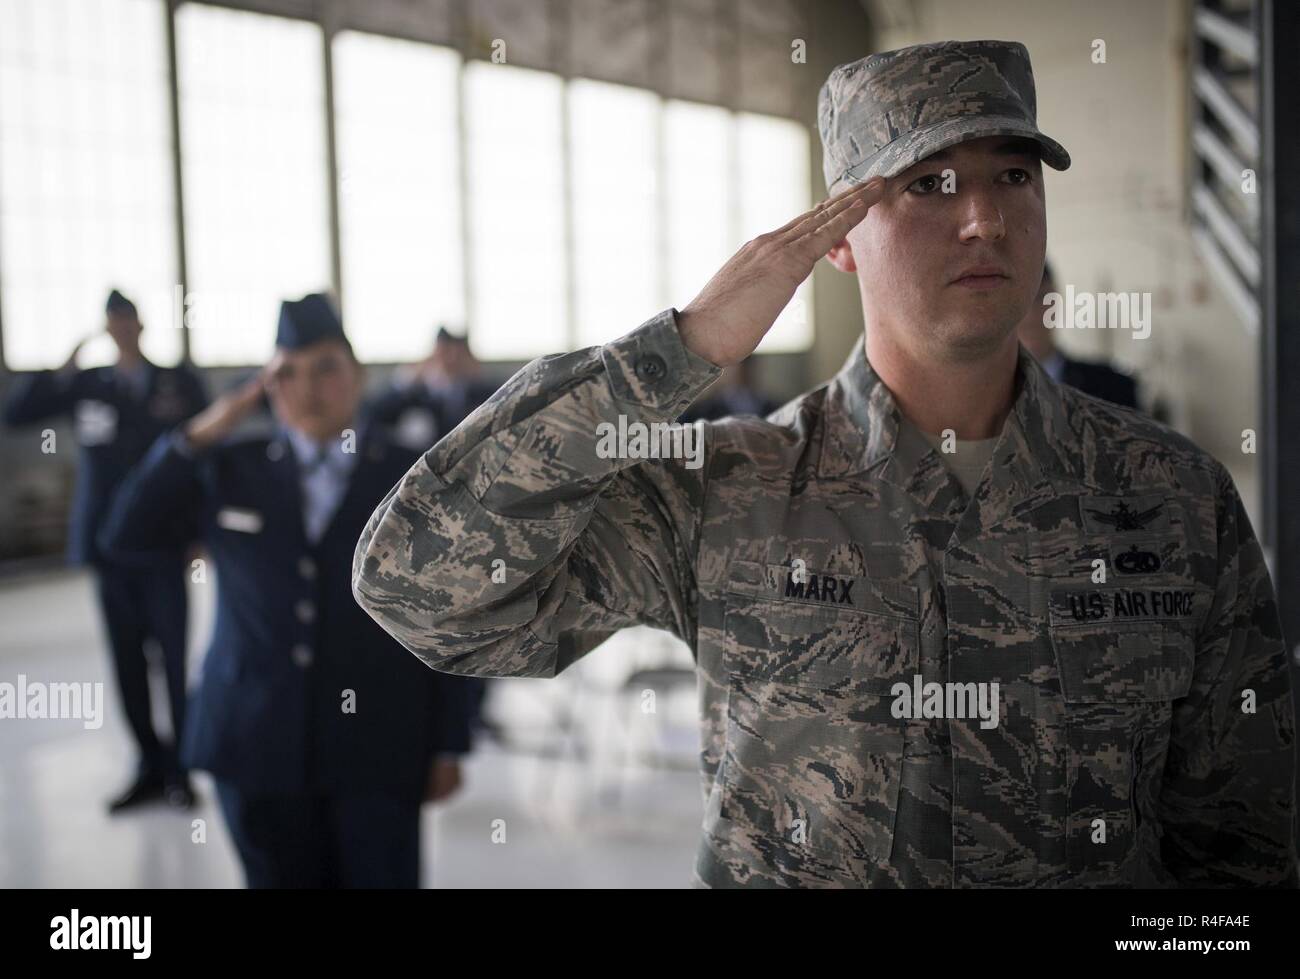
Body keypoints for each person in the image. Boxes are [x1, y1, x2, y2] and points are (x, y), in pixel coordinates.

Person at [352, 41, 1296, 888]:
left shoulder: (1168, 494)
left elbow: (1240, 838)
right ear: (836, 238)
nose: (983, 218)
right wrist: (679, 349)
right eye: (928, 183)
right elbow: (424, 593)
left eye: (1013, 175)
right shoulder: (730, 485)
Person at [101, 294, 476, 887]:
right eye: (287, 372)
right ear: (266, 384)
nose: (308, 388)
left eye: (325, 367)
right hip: (253, 744)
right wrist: (205, 429)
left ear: (357, 375)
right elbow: (125, 532)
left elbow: (455, 611)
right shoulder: (229, 468)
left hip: (379, 744)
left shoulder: (415, 476)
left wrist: (451, 743)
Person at [3, 289, 208, 813]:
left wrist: (199, 532)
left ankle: (182, 770)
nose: (121, 329)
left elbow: (205, 457)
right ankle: (148, 764)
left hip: (162, 546)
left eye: (127, 320)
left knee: (172, 659)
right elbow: (18, 412)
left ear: (140, 325)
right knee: (127, 663)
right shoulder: (88, 384)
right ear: (106, 328)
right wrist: (65, 365)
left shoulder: (177, 383)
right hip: (106, 549)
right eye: (112, 322)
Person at [1017, 260, 1140, 408]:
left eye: (1042, 298)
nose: (1032, 315)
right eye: (1020, 301)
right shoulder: (985, 393)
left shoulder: (1114, 389)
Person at [365, 326, 498, 451]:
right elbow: (375, 413)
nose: (452, 359)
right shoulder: (416, 392)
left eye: (458, 353)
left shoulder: (479, 392)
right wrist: (406, 379)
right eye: (445, 352)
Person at [679, 356, 780, 423]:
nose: (740, 371)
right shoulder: (702, 410)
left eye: (745, 364)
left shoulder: (772, 407)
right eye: (735, 365)